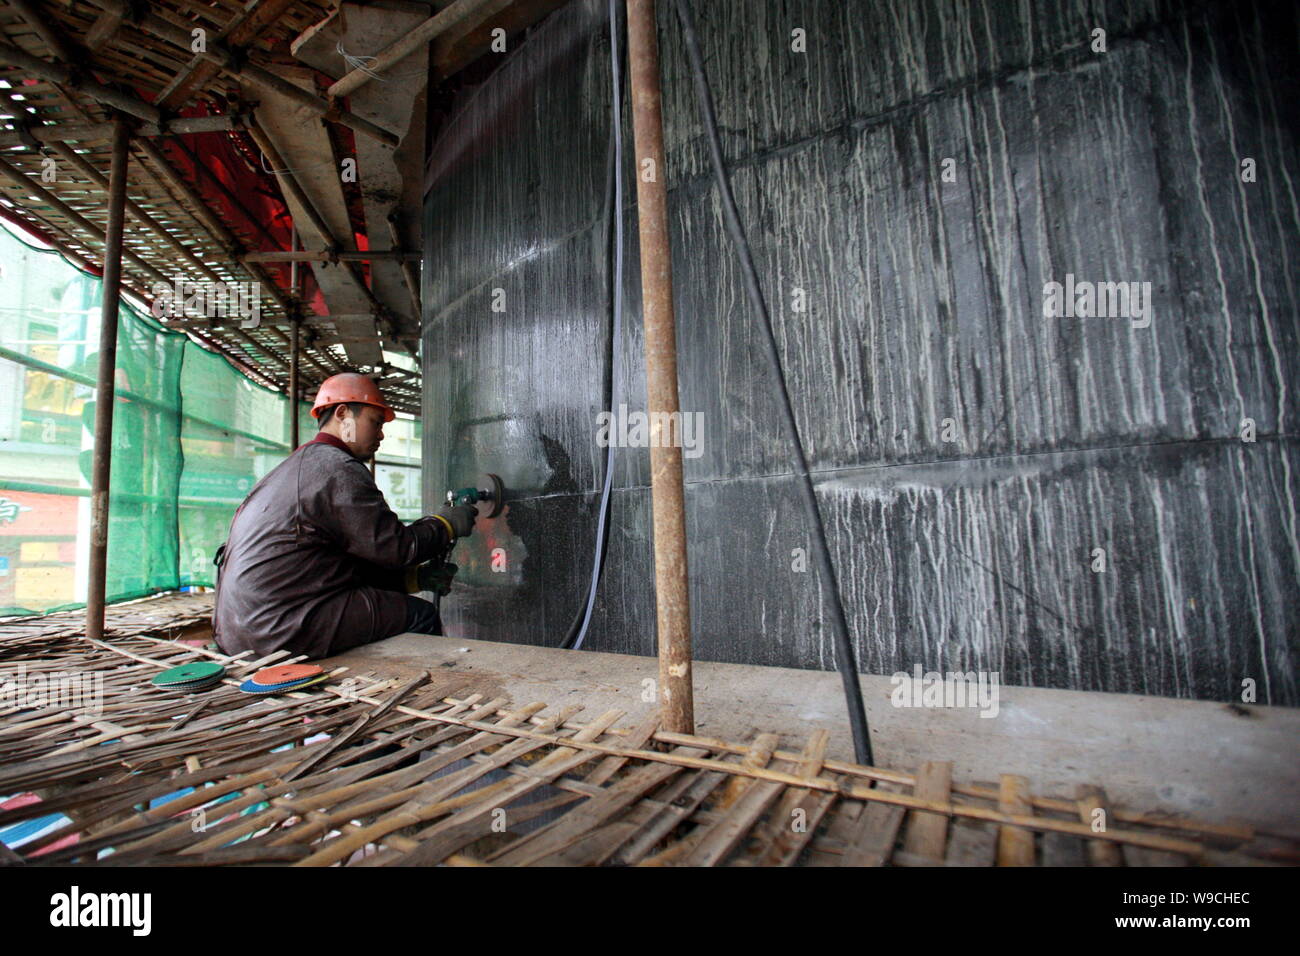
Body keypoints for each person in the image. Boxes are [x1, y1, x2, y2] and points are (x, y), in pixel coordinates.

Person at [212, 372, 477, 660]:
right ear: (343, 414)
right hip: (278, 629)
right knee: (421, 615)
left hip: (240, 630)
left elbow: (332, 566)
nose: (381, 434)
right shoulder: (337, 468)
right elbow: (398, 548)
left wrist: (415, 579)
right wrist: (446, 524)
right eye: (375, 422)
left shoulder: (295, 468)